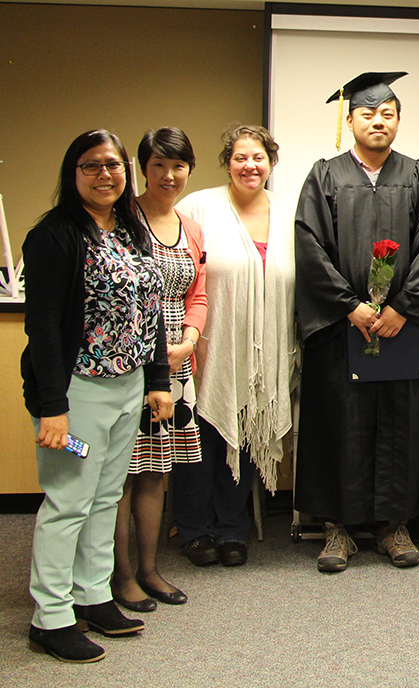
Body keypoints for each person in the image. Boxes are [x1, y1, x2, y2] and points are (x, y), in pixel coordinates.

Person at [22, 129, 173, 662]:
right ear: (73, 174)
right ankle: (51, 617)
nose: (105, 174)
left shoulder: (129, 230)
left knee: (106, 497)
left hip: (127, 389)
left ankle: (92, 595)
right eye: (91, 165)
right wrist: (51, 407)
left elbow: (150, 311)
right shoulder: (56, 236)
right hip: (77, 395)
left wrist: (157, 382)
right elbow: (41, 327)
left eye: (113, 164)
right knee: (68, 500)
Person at [294, 72, 419, 572]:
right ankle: (339, 528)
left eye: (387, 114)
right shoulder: (324, 176)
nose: (378, 121)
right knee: (343, 420)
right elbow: (310, 246)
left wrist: (403, 306)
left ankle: (393, 525)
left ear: (399, 120)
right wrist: (348, 305)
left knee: (400, 422)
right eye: (367, 113)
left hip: (401, 327)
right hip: (344, 328)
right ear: (350, 119)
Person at [176, 125, 297, 567]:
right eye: (240, 157)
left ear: (271, 163)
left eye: (259, 157)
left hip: (267, 347)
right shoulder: (199, 207)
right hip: (209, 346)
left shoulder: (289, 211)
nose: (250, 165)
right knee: (200, 437)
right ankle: (193, 529)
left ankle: (232, 529)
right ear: (227, 161)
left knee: (249, 436)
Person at [112, 128, 206, 612]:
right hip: (131, 360)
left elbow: (198, 295)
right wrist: (155, 352)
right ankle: (120, 575)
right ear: (141, 168)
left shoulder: (190, 225)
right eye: (157, 166)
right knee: (121, 473)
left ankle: (149, 570)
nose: (169, 176)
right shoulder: (122, 220)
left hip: (176, 362)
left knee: (153, 472)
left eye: (178, 166)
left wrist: (188, 340)